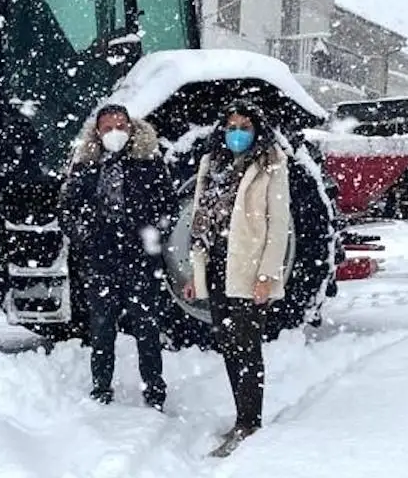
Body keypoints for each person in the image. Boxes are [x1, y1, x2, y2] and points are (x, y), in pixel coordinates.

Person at [183, 100, 291, 455]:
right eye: (232, 127)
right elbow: (200, 219)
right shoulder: (210, 163)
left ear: (257, 130)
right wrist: (195, 271)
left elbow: (278, 226)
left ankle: (250, 421)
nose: (237, 133)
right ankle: (240, 418)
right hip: (216, 266)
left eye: (245, 127)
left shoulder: (270, 164)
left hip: (247, 270)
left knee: (247, 347)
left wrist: (267, 275)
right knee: (229, 346)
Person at [59, 103, 178, 409]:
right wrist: (85, 236)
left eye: (121, 126)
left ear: (131, 128)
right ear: (97, 132)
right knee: (101, 328)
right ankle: (101, 387)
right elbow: (68, 209)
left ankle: (154, 391)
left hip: (141, 260)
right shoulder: (85, 167)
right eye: (108, 128)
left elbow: (169, 208)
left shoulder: (149, 164)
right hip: (101, 260)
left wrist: (152, 236)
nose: (115, 133)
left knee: (147, 328)